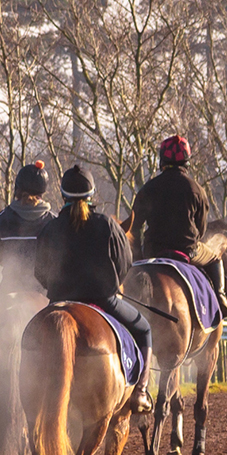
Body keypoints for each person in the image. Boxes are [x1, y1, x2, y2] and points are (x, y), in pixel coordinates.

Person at [35, 165, 152, 413]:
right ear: (92, 194)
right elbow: (124, 265)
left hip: (59, 302)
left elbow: (40, 272)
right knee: (143, 329)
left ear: (63, 194)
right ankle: (140, 392)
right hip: (104, 301)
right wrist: (111, 285)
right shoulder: (107, 226)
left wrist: (57, 289)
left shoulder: (50, 228)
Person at [130, 134, 227, 317]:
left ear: (162, 159)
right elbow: (201, 230)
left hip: (153, 251)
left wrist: (138, 255)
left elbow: (135, 225)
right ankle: (220, 298)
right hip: (186, 251)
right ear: (187, 161)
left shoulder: (149, 188)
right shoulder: (196, 190)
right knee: (215, 259)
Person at [0, 160, 53, 292]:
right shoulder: (53, 221)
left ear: (17, 189)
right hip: (45, 291)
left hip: (10, 288)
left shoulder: (2, 220)